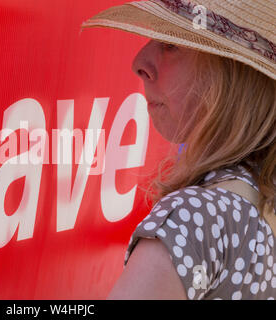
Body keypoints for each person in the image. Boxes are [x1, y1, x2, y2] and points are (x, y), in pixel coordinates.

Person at [81, 0, 275, 299]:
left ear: (232, 74)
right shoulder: (262, 197)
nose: (140, 62)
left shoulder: (194, 219)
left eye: (171, 43)